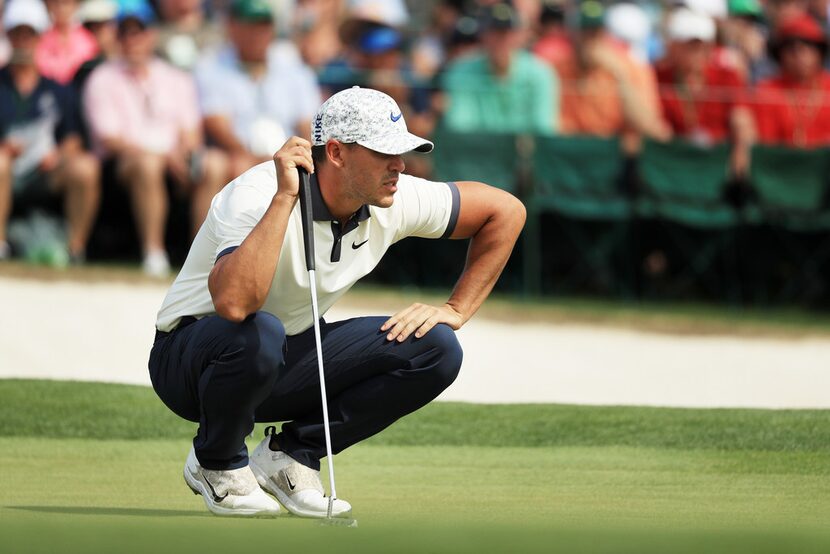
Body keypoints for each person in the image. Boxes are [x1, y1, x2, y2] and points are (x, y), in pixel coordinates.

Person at [148, 86, 526, 518]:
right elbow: (234, 305)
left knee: (435, 348)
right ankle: (216, 461)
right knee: (259, 329)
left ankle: (290, 455)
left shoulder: (392, 196)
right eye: (385, 153)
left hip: (281, 359)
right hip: (192, 362)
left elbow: (505, 210)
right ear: (337, 153)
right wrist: (285, 199)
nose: (400, 166)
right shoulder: (257, 193)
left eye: (402, 152)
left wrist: (455, 310)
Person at [83, 0, 228, 277]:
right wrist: (166, 156)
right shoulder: (102, 77)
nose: (133, 39)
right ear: (117, 37)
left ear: (152, 34)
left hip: (171, 158)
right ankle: (154, 252)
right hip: (123, 165)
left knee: (215, 163)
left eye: (139, 31)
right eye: (126, 32)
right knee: (147, 164)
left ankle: (201, 257)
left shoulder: (175, 77)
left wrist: (184, 152)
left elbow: (191, 131)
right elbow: (111, 139)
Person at [0, 0, 99, 262]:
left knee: (85, 167)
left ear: (41, 36)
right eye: (17, 33)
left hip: (43, 173)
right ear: (8, 35)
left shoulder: (59, 90)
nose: (23, 40)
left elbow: (74, 138)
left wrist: (57, 154)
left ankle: (74, 250)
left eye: (29, 33)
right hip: (4, 171)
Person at [194, 0, 320, 179]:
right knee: (235, 167)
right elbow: (216, 121)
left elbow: (308, 122)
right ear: (232, 27)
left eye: (263, 26)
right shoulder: (212, 64)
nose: (257, 34)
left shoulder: (291, 63)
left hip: (289, 151)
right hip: (239, 154)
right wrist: (251, 156)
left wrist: (305, 154)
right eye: (249, 26)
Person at [540, 0, 669, 141]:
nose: (591, 40)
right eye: (585, 32)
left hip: (615, 155)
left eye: (596, 32)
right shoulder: (555, 70)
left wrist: (619, 76)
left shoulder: (633, 68)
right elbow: (551, 126)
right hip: (570, 151)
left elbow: (653, 129)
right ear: (572, 34)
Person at [654, 8, 755, 175]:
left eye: (702, 46)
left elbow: (741, 120)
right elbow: (655, 125)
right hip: (673, 160)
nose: (698, 52)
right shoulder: (659, 77)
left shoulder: (728, 76)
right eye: (690, 46)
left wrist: (740, 156)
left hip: (717, 160)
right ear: (673, 47)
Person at [439, 2, 558, 134]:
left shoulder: (541, 74)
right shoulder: (460, 73)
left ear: (519, 36)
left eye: (507, 32)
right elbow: (460, 127)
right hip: (478, 152)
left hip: (525, 153)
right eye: (494, 32)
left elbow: (543, 130)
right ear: (483, 35)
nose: (502, 40)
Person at [753, 13, 830, 146]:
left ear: (819, 53)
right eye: (790, 48)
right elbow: (766, 142)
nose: (798, 55)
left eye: (807, 47)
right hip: (780, 164)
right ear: (780, 55)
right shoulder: (767, 89)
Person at [36, 0, 99, 85]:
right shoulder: (40, 40)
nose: (61, 8)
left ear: (75, 5)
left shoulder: (88, 40)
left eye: (66, 3)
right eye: (56, 3)